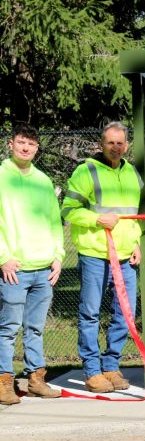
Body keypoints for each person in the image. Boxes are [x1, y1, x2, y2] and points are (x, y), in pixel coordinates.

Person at [61, 121, 143, 393]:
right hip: (95, 255)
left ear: (127, 146)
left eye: (120, 143)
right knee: (90, 313)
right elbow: (68, 210)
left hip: (124, 257)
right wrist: (97, 219)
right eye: (111, 143)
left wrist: (136, 244)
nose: (116, 147)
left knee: (125, 313)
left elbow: (136, 215)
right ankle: (93, 371)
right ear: (101, 144)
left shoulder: (133, 173)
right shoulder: (86, 171)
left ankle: (111, 365)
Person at [0, 124, 64, 404]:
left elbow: (54, 221)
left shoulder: (43, 180)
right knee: (8, 328)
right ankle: (4, 382)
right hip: (15, 269)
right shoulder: (1, 176)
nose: (26, 148)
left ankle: (36, 379)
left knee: (35, 328)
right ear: (10, 144)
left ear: (37, 148)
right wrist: (3, 258)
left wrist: (58, 256)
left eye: (31, 144)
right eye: (21, 142)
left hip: (43, 269)